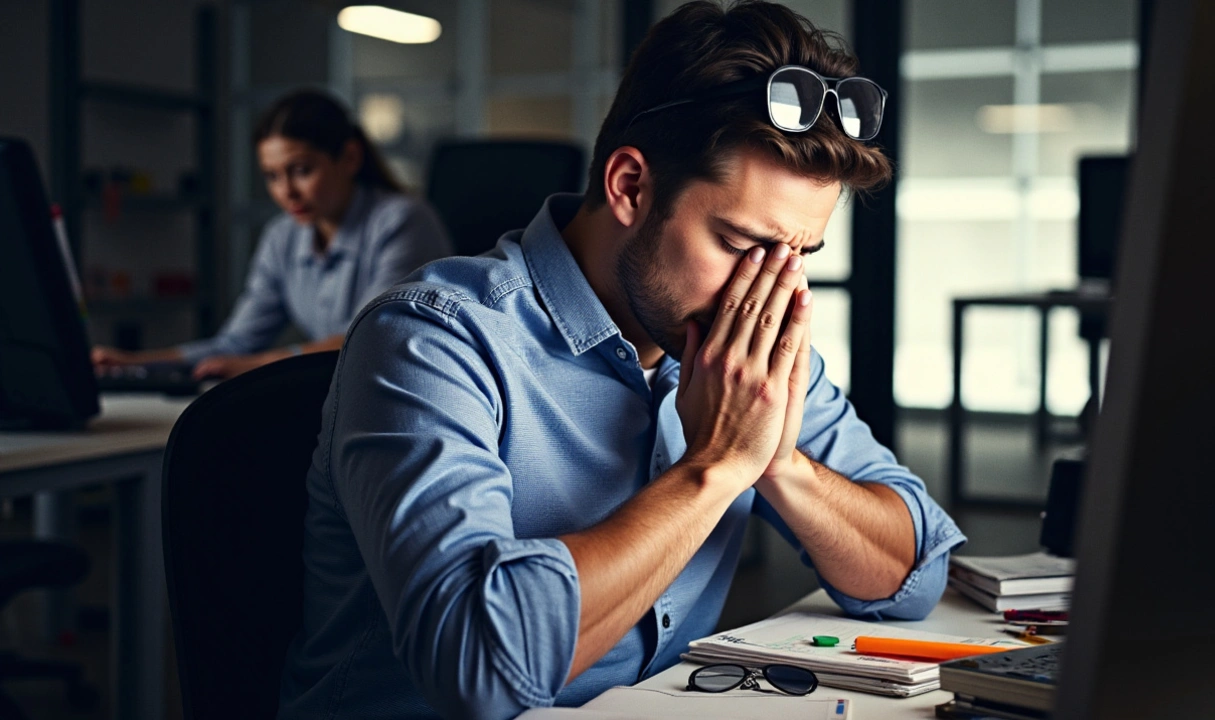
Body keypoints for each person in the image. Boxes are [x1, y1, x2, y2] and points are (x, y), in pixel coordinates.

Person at [277, 3, 965, 719]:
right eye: (739, 244)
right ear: (631, 187)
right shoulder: (433, 339)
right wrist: (716, 467)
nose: (768, 294)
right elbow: (479, 669)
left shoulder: (739, 353)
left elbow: (916, 574)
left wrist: (779, 462)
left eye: (800, 254)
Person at [91, 89, 453, 380]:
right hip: (339, 397)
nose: (286, 192)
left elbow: (371, 341)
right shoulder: (283, 236)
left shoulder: (403, 219)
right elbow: (238, 342)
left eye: (301, 170)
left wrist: (264, 363)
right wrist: (138, 362)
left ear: (350, 158)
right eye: (273, 176)